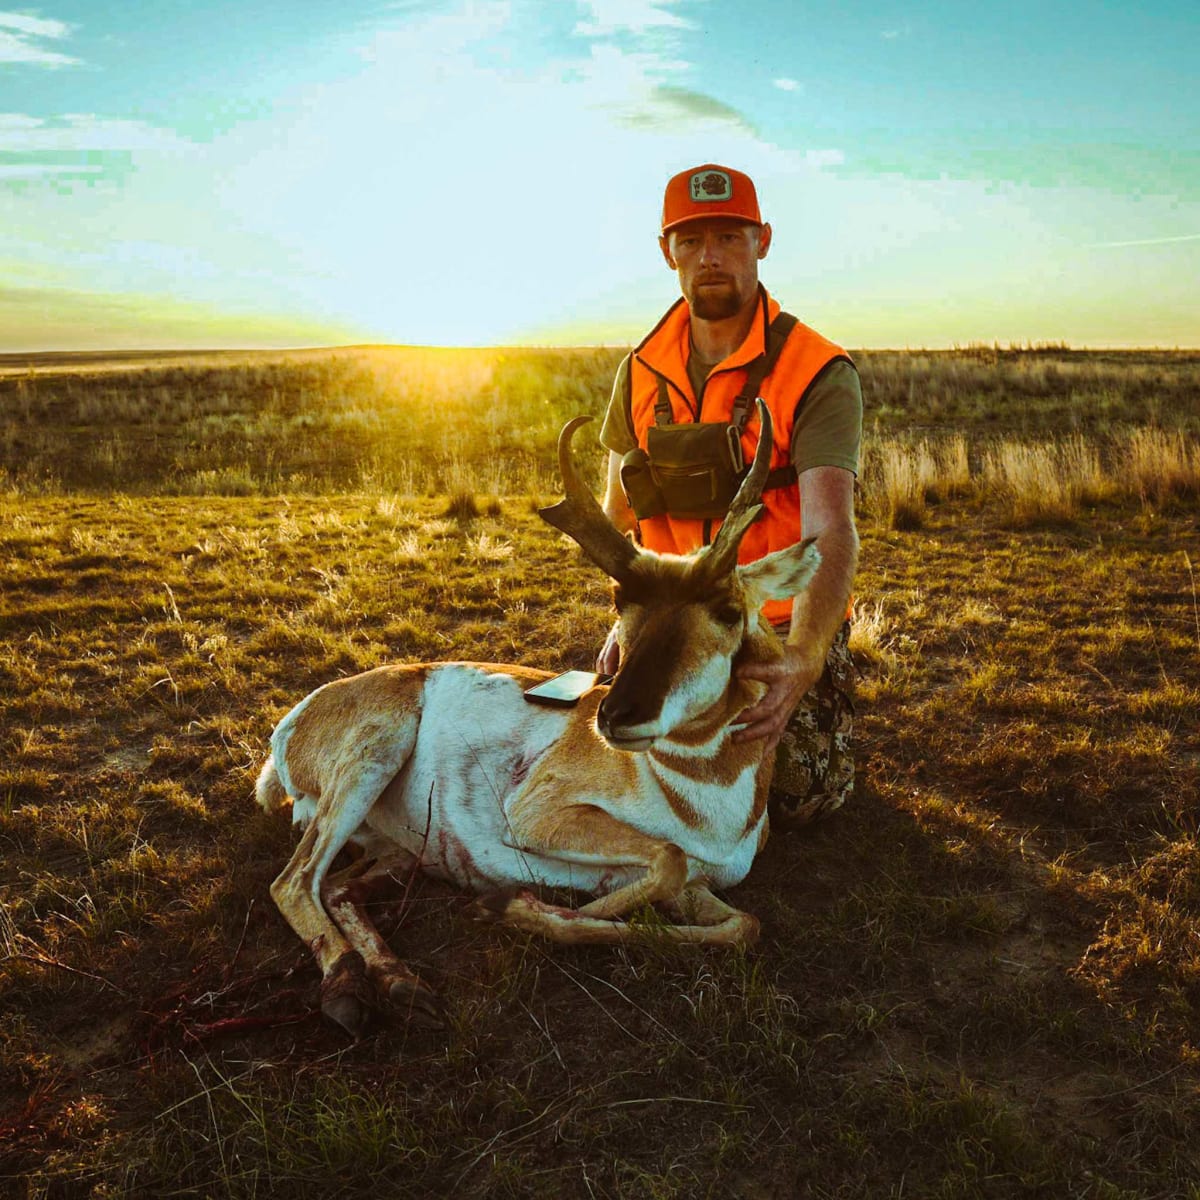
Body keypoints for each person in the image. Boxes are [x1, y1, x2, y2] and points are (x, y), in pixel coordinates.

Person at [597, 163, 862, 828]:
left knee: (798, 797)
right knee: (620, 758)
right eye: (689, 241)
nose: (708, 257)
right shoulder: (640, 369)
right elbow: (616, 521)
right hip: (666, 623)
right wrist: (626, 623)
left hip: (768, 625)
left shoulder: (816, 370)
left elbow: (830, 530)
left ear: (762, 240)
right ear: (667, 252)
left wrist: (802, 660)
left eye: (729, 237)